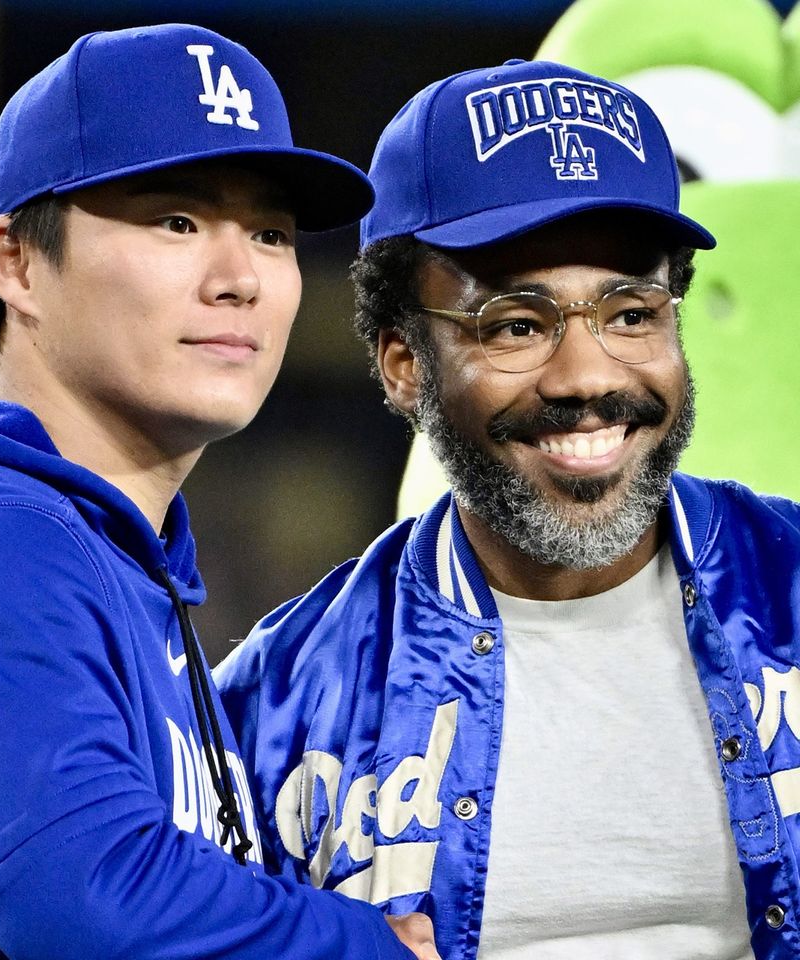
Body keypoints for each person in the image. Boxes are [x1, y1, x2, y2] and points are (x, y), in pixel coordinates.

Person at [0, 23, 440, 960]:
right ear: (16, 263)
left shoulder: (107, 556)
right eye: (177, 221)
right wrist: (368, 947)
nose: (239, 278)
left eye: (272, 234)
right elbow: (91, 907)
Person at [215, 58, 800, 960]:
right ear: (403, 362)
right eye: (516, 325)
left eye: (633, 313)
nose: (589, 377)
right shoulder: (276, 707)